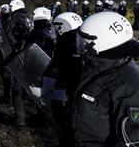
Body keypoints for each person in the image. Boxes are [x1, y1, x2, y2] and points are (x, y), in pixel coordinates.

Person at [73, 12, 139, 147]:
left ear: (101, 42)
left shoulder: (129, 85)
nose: (82, 45)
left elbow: (131, 140)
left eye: (86, 41)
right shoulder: (95, 67)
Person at [43, 12, 83, 147]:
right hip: (75, 89)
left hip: (66, 88)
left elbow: (59, 65)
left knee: (66, 127)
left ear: (63, 26)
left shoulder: (66, 42)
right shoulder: (81, 39)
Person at [5, 0, 32, 127]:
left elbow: (8, 36)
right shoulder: (28, 18)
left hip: (18, 54)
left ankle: (19, 119)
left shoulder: (14, 19)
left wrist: (14, 49)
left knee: (17, 87)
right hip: (30, 54)